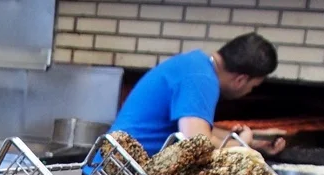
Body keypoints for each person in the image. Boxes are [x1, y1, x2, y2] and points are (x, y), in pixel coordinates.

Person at [108, 33, 286, 156]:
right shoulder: (201, 79)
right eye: (253, 87)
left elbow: (201, 129)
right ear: (240, 79)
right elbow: (195, 141)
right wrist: (240, 146)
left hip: (120, 170)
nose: (249, 92)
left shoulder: (196, 65)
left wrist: (253, 141)